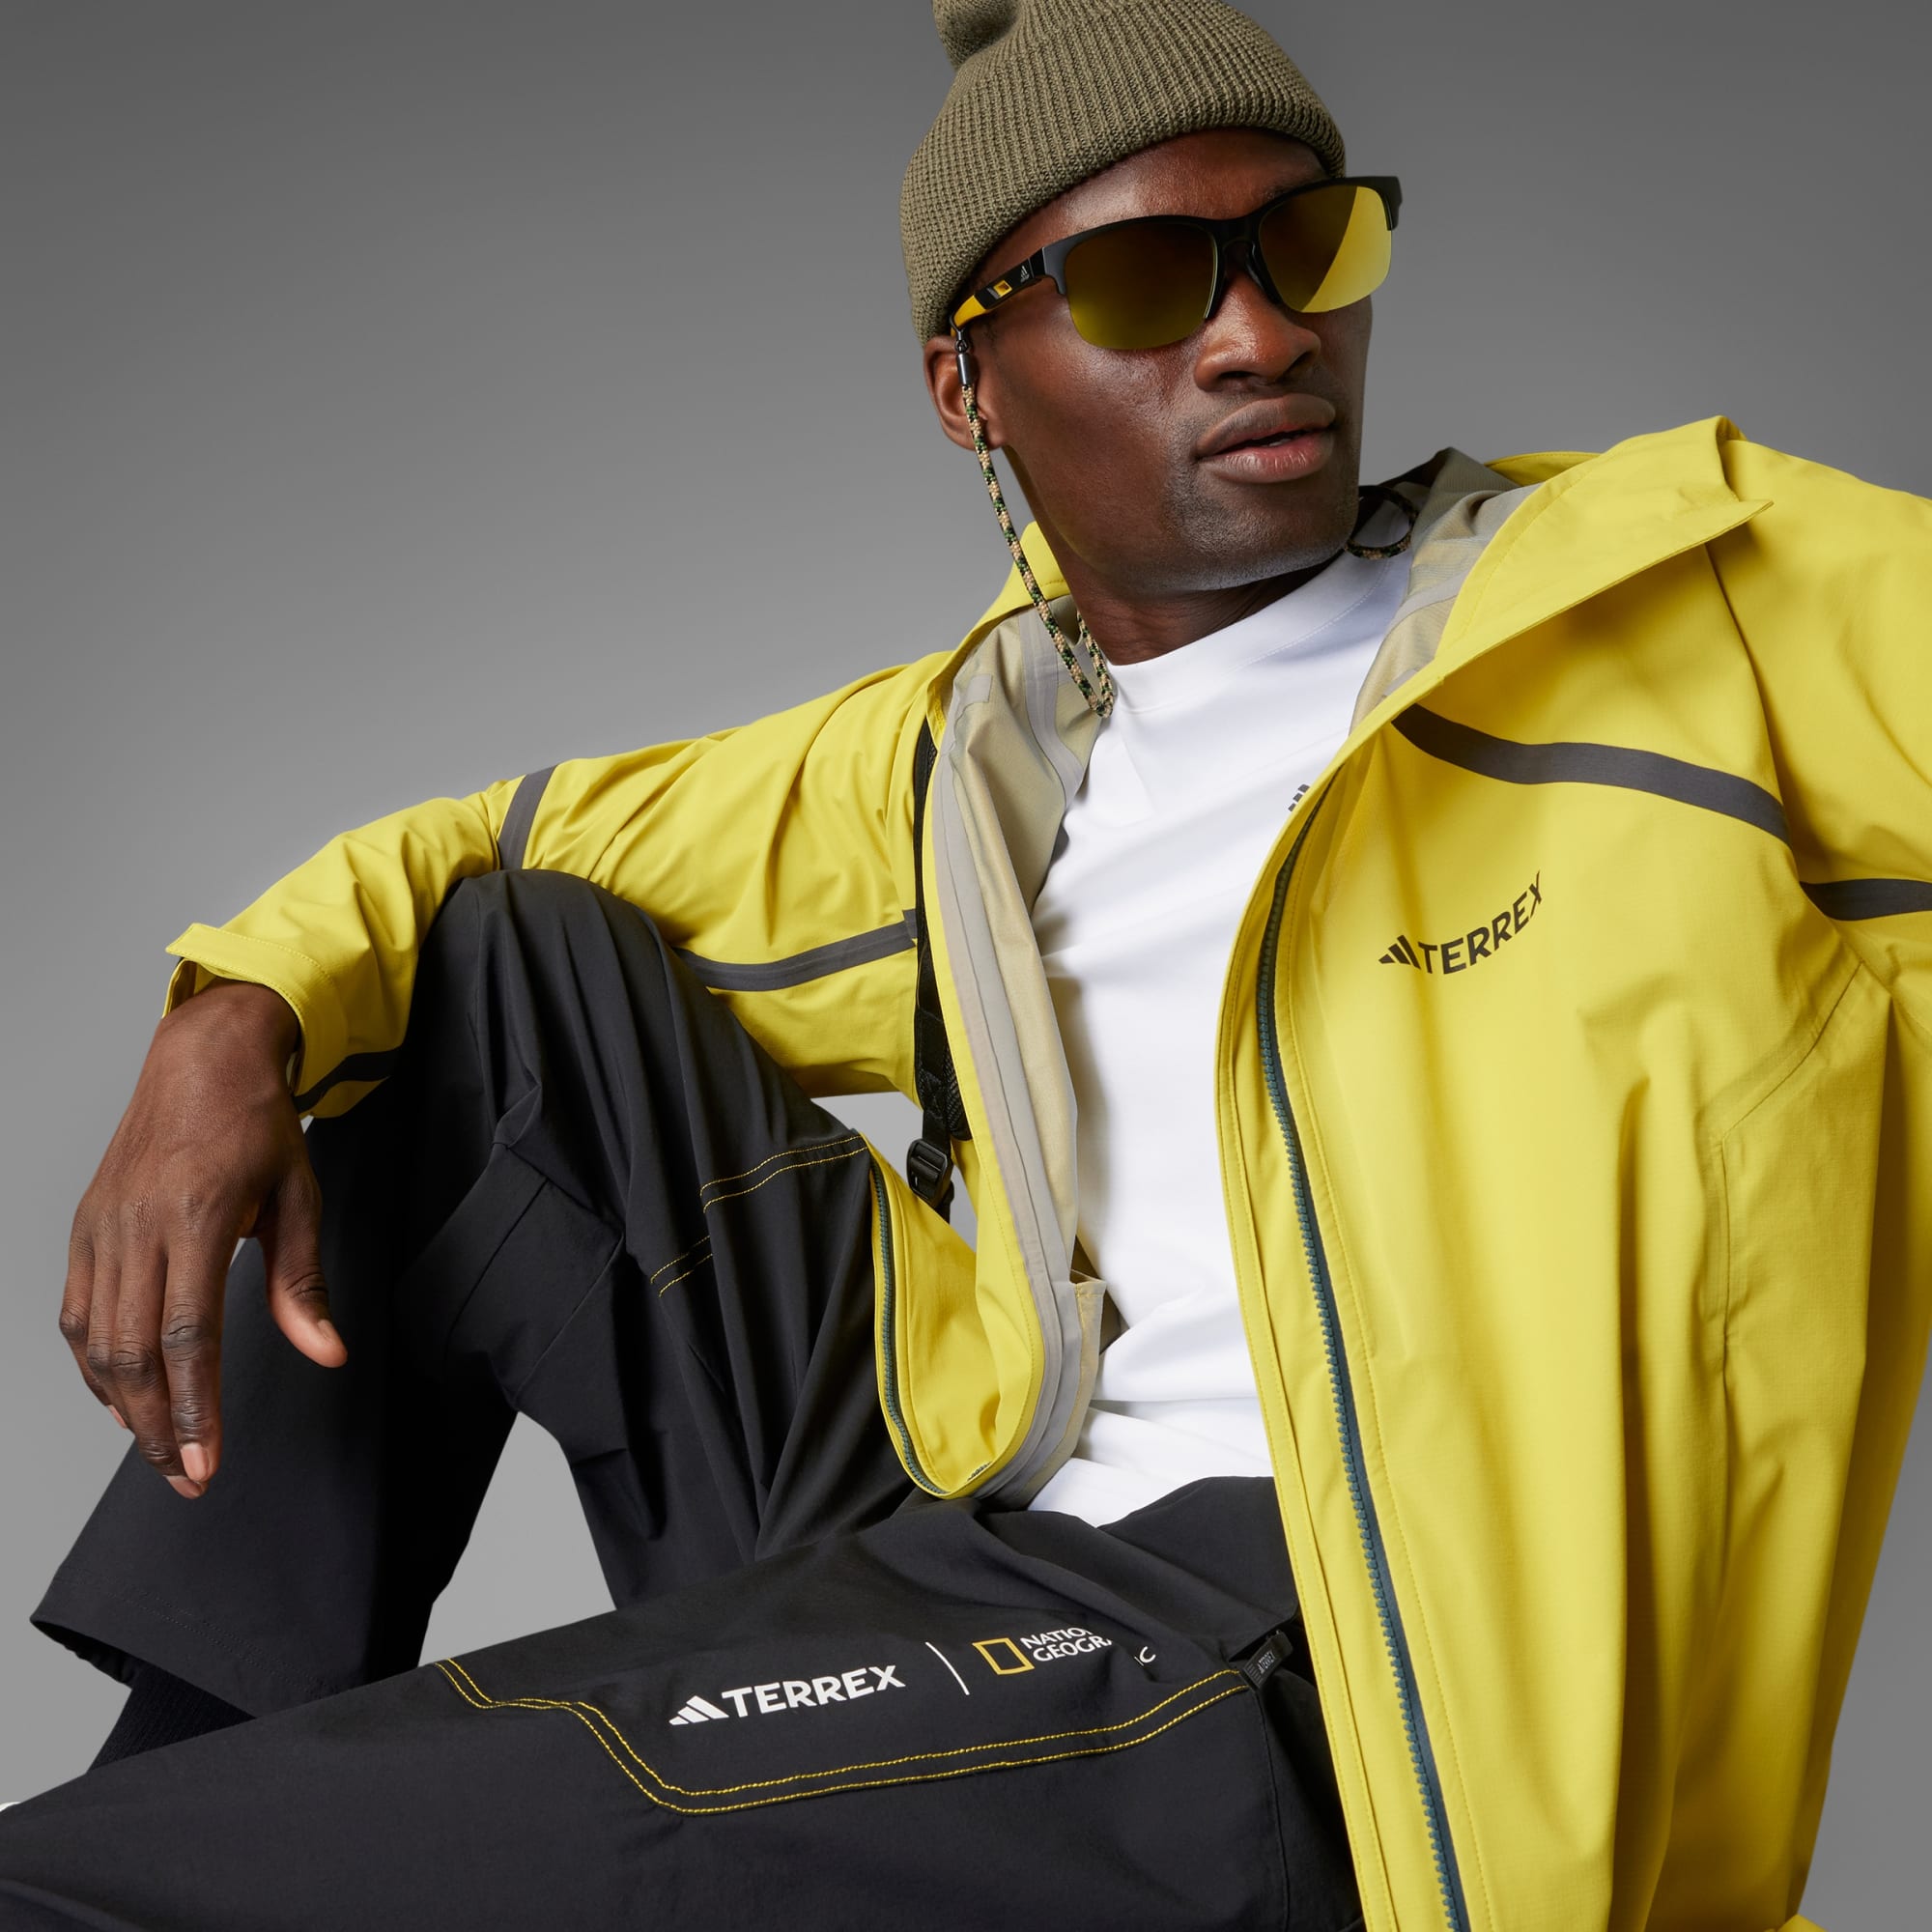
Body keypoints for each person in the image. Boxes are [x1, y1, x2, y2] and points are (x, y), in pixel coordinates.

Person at [2, 0, 1926, 1925]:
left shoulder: (1696, 613)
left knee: (93, 1893)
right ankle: (181, 1779)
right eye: (1151, 281)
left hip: (1322, 1679)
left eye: (1307, 245)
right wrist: (224, 1026)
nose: (1262, 334)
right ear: (968, 385)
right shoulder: (972, 764)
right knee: (494, 973)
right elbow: (469, 861)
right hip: (977, 1567)